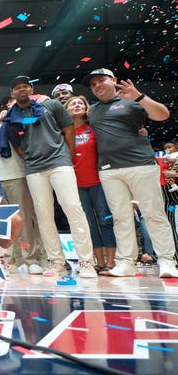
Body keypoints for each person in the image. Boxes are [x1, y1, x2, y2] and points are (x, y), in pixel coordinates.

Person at [83, 67, 178, 277]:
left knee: (154, 213)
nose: (97, 85)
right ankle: (126, 262)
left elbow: (162, 115)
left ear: (114, 80)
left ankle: (166, 261)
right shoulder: (93, 110)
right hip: (108, 170)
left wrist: (140, 96)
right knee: (120, 217)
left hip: (141, 165)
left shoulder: (133, 101)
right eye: (93, 84)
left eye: (101, 80)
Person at [4, 75, 97, 278]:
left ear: (31, 90)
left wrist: (67, 155)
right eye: (17, 87)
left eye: (25, 86)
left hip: (60, 163)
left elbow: (69, 130)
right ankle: (57, 263)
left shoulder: (52, 105)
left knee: (73, 210)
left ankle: (87, 263)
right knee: (44, 216)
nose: (21, 90)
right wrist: (30, 159)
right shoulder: (11, 117)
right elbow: (18, 146)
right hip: (34, 169)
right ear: (12, 93)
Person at [0, 95, 47, 274]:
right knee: (2, 224)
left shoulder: (8, 122)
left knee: (23, 221)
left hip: (15, 176)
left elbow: (30, 118)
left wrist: (10, 113)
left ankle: (32, 259)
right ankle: (10, 260)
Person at [64, 95, 117, 272]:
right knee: (89, 224)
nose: (77, 105)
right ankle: (98, 262)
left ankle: (111, 262)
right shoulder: (63, 133)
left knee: (105, 221)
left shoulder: (94, 128)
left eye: (81, 103)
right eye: (73, 103)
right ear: (66, 110)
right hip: (76, 185)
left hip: (99, 183)